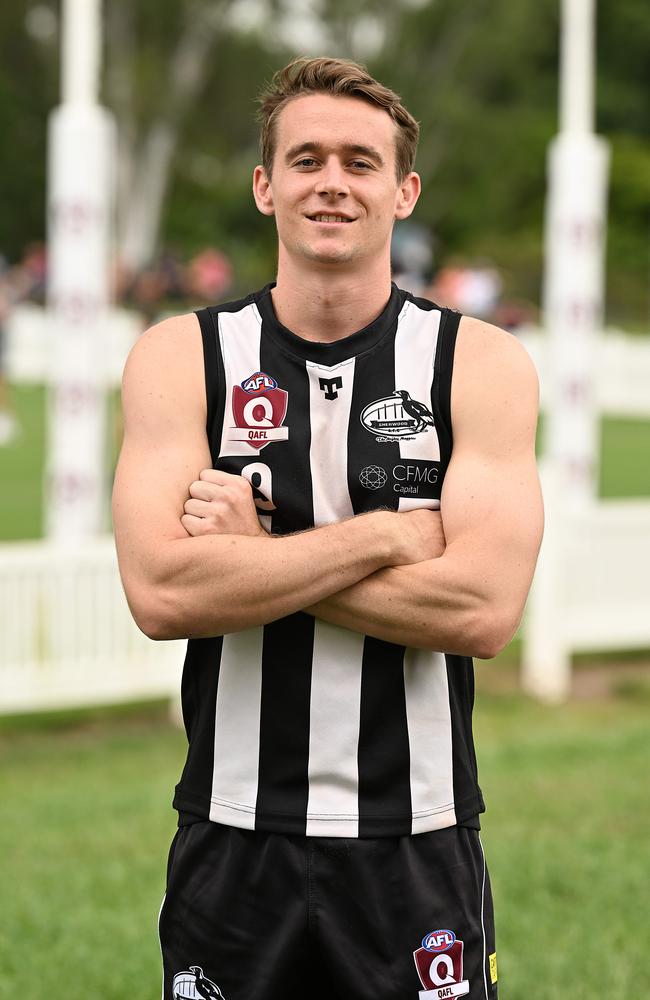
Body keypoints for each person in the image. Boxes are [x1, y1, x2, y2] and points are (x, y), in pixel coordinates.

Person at [113, 56, 543, 1000]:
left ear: (403, 190)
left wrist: (256, 558)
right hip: (234, 835)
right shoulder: (180, 357)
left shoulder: (481, 365)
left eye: (360, 160)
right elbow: (161, 592)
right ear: (266, 186)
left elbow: (480, 611)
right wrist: (385, 536)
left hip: (416, 838)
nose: (333, 182)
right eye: (306, 159)